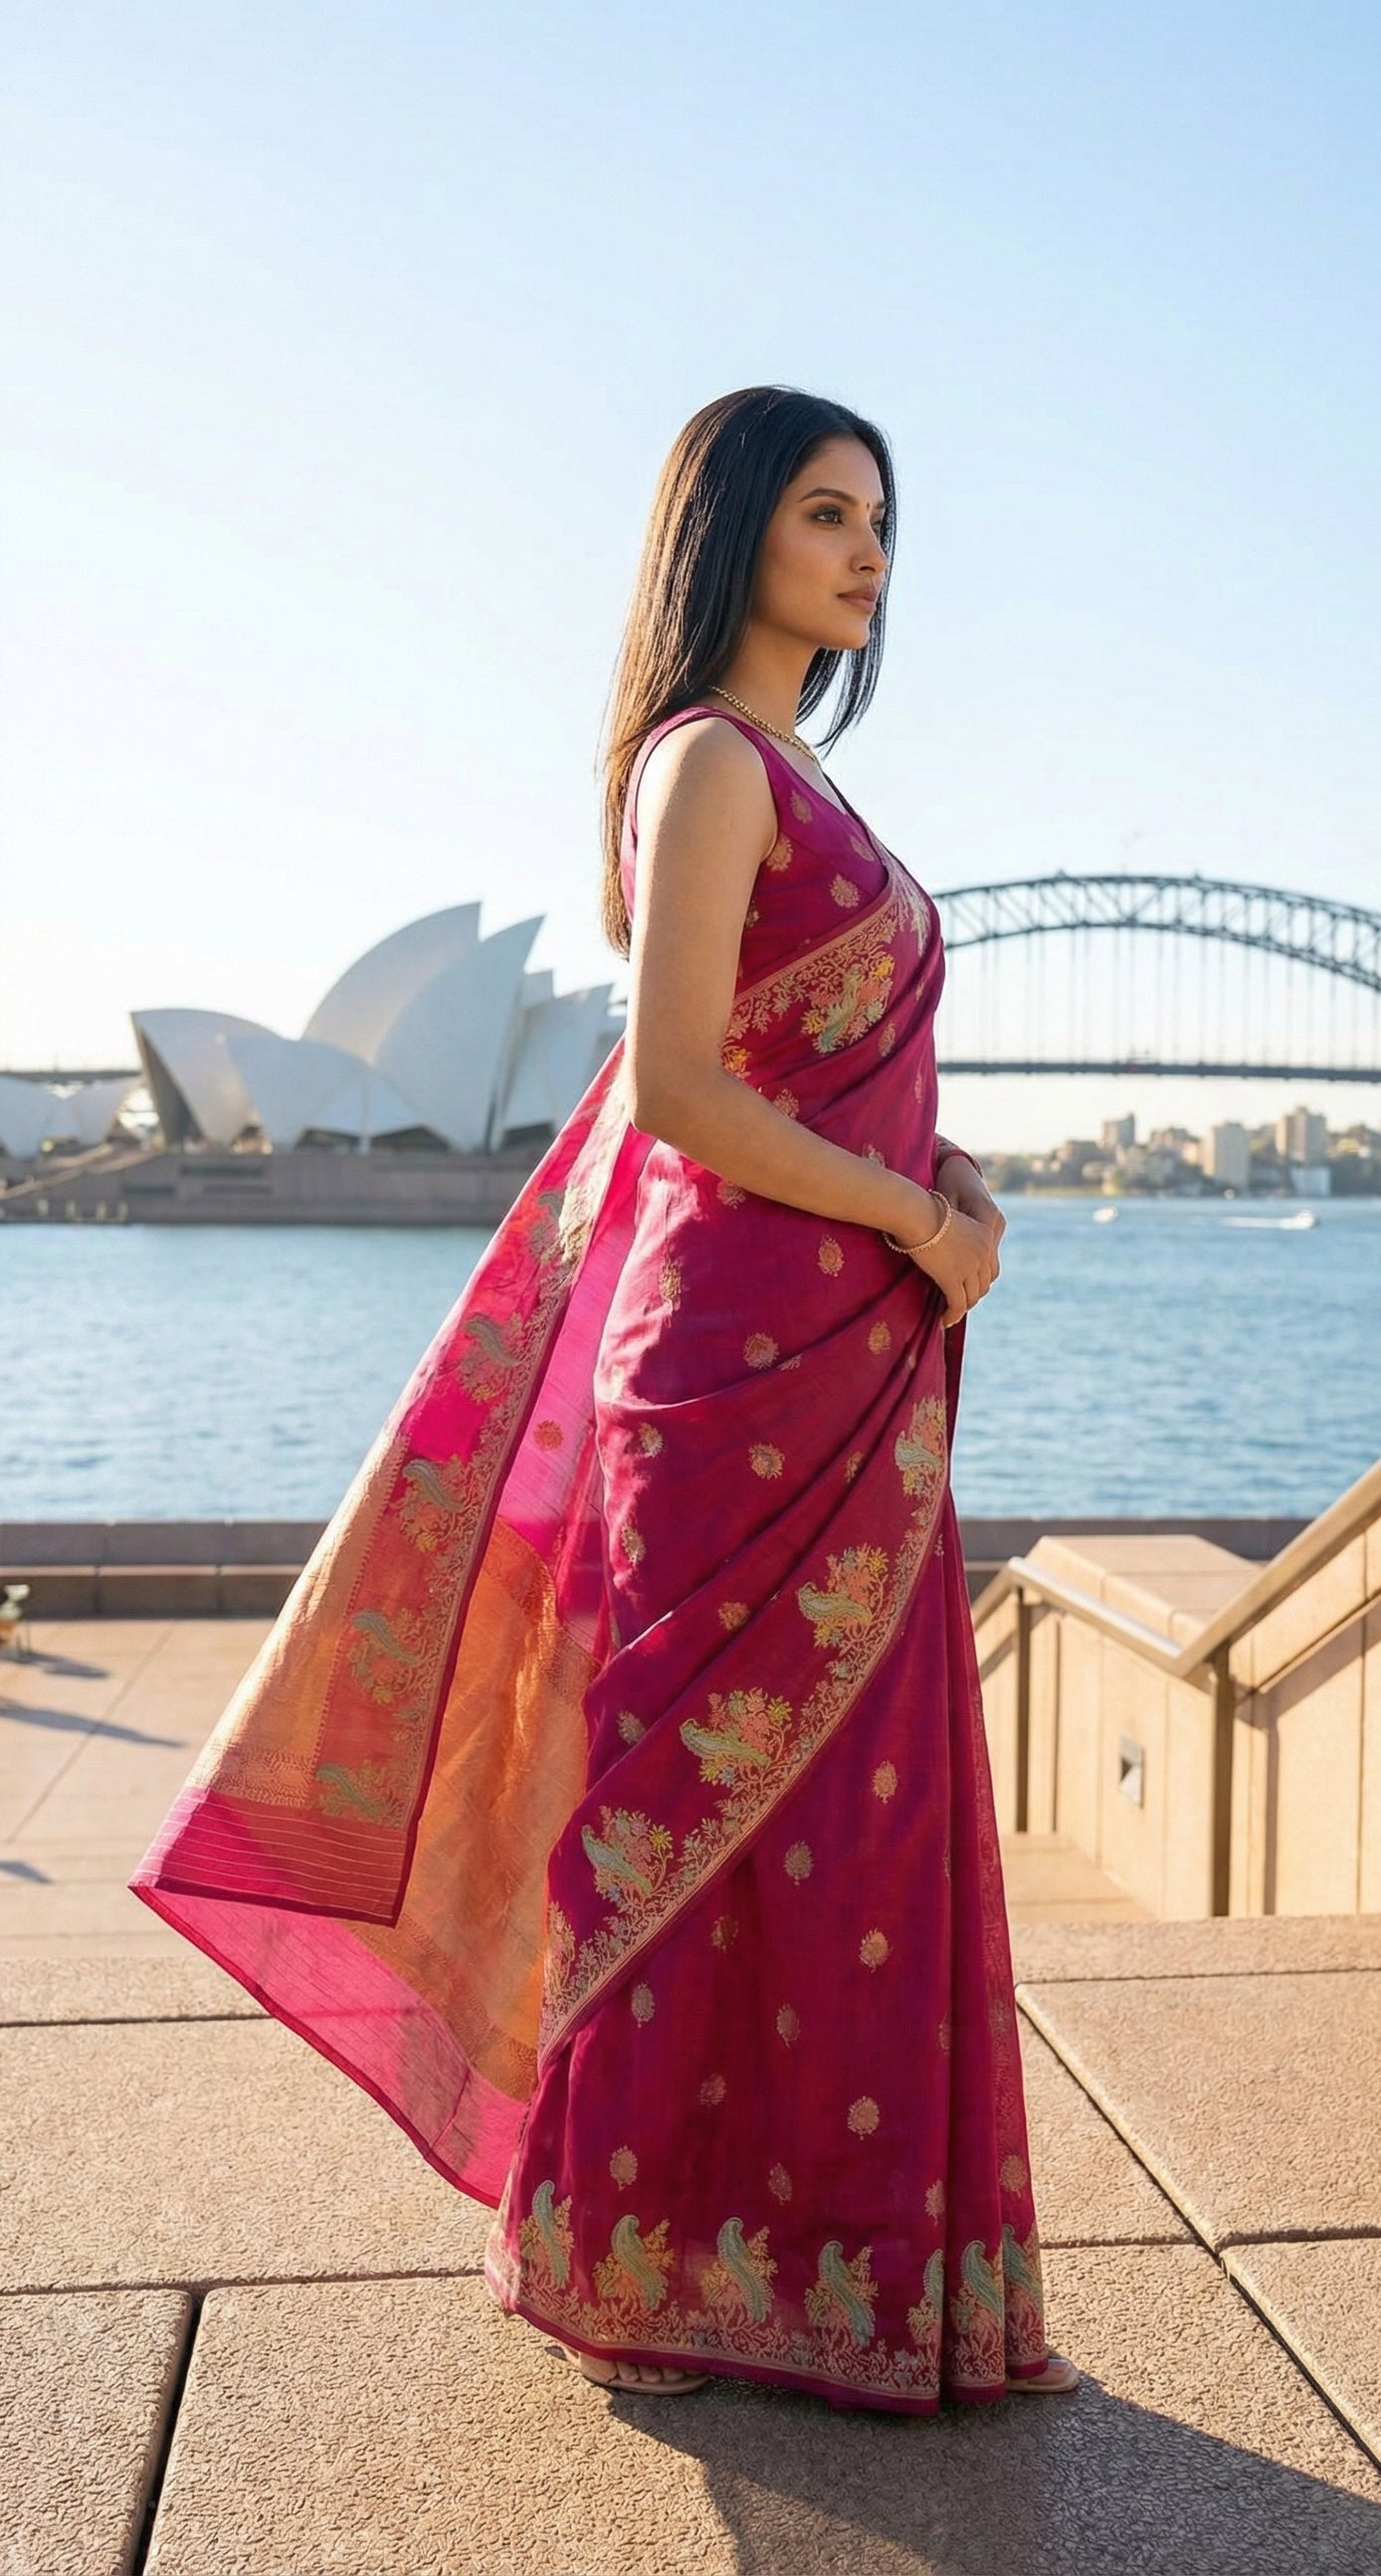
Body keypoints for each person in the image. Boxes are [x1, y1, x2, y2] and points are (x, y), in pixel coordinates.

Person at [130, 383, 1078, 2414]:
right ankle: (654, 2262)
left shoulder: (814, 781)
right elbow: (678, 1091)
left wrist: (955, 1184)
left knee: (863, 1820)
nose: (868, 555)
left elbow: (825, 1065)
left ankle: (870, 2273)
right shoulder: (708, 765)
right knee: (689, 1825)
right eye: (827, 513)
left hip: (851, 1370)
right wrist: (914, 1212)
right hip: (732, 1375)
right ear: (730, 531)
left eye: (882, 524)